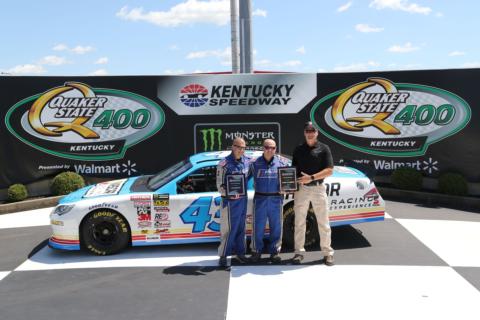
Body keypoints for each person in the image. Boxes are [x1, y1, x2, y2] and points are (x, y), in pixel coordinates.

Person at [291, 121, 335, 266]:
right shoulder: (298, 149)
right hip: (302, 189)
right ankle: (298, 252)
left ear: (317, 133)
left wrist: (311, 177)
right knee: (299, 222)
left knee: (323, 222)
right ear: (304, 133)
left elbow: (329, 170)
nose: (310, 133)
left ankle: (327, 253)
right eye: (307, 131)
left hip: (318, 187)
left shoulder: (324, 148)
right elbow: (293, 171)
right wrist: (289, 184)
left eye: (312, 131)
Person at [249, 139, 288, 264]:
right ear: (263, 148)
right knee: (257, 227)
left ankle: (274, 252)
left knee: (276, 227)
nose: (270, 150)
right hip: (260, 198)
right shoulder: (254, 163)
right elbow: (243, 177)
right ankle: (256, 251)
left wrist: (287, 188)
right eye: (267, 147)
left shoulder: (282, 162)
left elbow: (290, 179)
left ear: (276, 149)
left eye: (272, 147)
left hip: (276, 199)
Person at [216, 137, 252, 267]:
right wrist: (229, 193)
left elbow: (250, 176)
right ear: (233, 146)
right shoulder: (224, 164)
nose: (241, 150)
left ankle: (240, 254)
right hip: (229, 202)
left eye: (243, 148)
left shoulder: (248, 162)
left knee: (241, 229)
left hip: (243, 200)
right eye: (238, 147)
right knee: (228, 230)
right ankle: (223, 255)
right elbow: (219, 186)